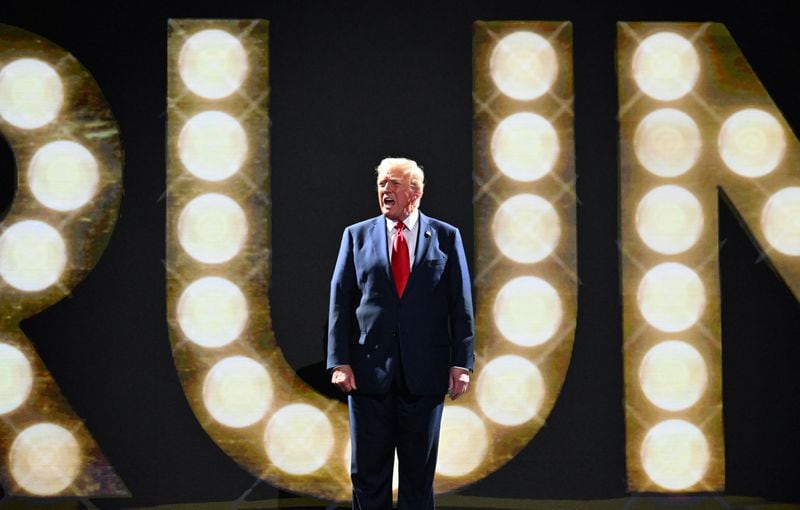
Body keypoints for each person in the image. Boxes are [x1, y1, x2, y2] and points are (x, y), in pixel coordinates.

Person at [327, 157, 475, 510]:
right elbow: (340, 301)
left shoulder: (445, 236)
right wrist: (339, 361)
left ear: (416, 191)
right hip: (367, 375)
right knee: (367, 475)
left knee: (418, 478)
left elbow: (461, 304)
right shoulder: (356, 235)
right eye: (381, 183)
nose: (385, 190)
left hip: (424, 375)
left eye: (393, 183)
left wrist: (462, 364)